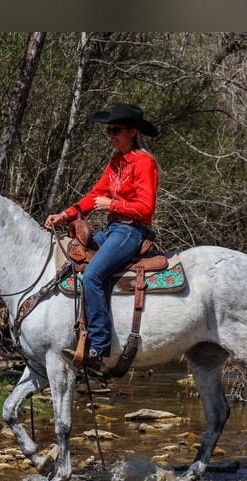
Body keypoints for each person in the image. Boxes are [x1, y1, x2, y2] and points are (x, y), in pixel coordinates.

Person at [45, 102, 159, 368]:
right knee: (74, 262)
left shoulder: (144, 162)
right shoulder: (116, 162)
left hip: (132, 230)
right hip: (113, 229)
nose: (110, 135)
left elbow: (146, 207)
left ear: (132, 131)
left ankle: (98, 347)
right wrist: (64, 215)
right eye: (108, 130)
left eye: (115, 130)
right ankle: (75, 332)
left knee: (94, 274)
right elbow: (94, 196)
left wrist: (113, 205)